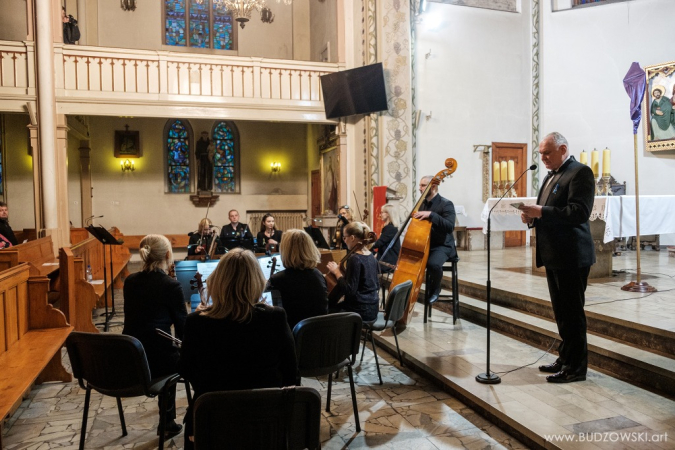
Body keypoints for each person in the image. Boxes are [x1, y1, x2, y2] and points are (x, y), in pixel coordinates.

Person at [179, 249, 297, 450]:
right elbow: (292, 374)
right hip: (266, 420)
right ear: (257, 281)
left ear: (217, 281)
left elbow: (186, 370)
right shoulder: (275, 317)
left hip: (213, 418)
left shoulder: (195, 322)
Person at [520, 132, 595, 384]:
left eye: (547, 152)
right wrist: (532, 217)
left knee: (573, 313)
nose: (542, 158)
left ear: (563, 149)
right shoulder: (551, 176)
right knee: (561, 312)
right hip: (555, 255)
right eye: (540, 153)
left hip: (572, 256)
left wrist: (540, 211)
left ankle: (576, 369)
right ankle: (565, 358)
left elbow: (579, 212)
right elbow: (549, 213)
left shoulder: (580, 172)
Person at [122, 235, 187, 437]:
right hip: (158, 361)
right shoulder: (170, 285)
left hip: (131, 356)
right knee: (178, 356)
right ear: (168, 255)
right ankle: (166, 422)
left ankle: (168, 421)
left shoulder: (130, 281)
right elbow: (182, 327)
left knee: (166, 350)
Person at [267, 229, 328, 330]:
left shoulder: (278, 280)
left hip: (291, 339)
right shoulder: (318, 275)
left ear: (285, 251)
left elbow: (272, 315)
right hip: (318, 336)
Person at [413, 175, 457, 304]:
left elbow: (449, 227)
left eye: (422, 186)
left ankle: (436, 289)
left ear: (433, 186)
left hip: (443, 245)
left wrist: (432, 215)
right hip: (426, 244)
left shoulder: (446, 204)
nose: (420, 189)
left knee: (433, 264)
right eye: (420, 185)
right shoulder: (422, 204)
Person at [326, 222, 379, 322]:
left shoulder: (355, 259)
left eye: (345, 237)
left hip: (360, 311)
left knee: (327, 310)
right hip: (373, 308)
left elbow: (349, 291)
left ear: (352, 238)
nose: (344, 240)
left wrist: (337, 272)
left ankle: (344, 337)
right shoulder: (370, 255)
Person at [371, 204, 401, 273]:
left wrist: (367, 244)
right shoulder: (390, 227)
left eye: (382, 212)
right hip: (386, 260)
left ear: (388, 214)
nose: (380, 215)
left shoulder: (390, 228)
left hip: (388, 263)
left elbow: (379, 243)